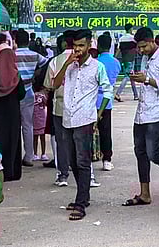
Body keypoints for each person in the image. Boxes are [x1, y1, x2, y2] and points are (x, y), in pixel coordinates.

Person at [53, 29, 109, 221]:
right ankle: (82, 197)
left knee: (83, 160)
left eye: (81, 45)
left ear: (89, 45)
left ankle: (81, 201)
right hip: (67, 117)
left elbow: (107, 92)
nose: (77, 49)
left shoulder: (97, 67)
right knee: (71, 160)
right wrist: (67, 64)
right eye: (75, 46)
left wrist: (98, 115)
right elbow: (55, 84)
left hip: (85, 118)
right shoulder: (69, 65)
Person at [123, 27, 159, 207]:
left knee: (154, 152)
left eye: (144, 46)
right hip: (142, 113)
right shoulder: (145, 58)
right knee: (140, 152)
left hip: (158, 113)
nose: (141, 50)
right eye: (139, 47)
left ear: (152, 41)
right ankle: (144, 193)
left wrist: (146, 80)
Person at [0, 36, 23, 181]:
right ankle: (11, 171)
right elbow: (21, 94)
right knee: (12, 141)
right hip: (13, 114)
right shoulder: (16, 76)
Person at [43, 32, 74, 187]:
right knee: (80, 141)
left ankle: (63, 175)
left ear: (63, 44)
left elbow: (48, 85)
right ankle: (86, 174)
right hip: (81, 109)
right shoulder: (86, 61)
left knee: (62, 141)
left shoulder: (55, 61)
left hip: (60, 107)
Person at [14, 30, 41, 166]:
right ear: (28, 41)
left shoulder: (12, 55)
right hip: (29, 91)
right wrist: (35, 75)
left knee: (14, 125)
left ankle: (14, 155)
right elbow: (45, 64)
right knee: (28, 125)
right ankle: (29, 156)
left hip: (13, 93)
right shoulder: (35, 55)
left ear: (15, 40)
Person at [95, 32, 121, 171]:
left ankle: (91, 155)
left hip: (94, 100)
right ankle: (107, 159)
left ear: (98, 46)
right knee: (106, 131)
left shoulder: (96, 63)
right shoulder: (116, 63)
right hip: (108, 100)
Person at [115, 25, 139, 101]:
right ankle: (117, 94)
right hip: (131, 60)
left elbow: (118, 50)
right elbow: (137, 48)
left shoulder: (121, 39)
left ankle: (136, 95)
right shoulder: (133, 38)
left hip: (124, 60)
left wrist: (114, 58)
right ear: (130, 29)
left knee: (132, 77)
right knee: (127, 76)